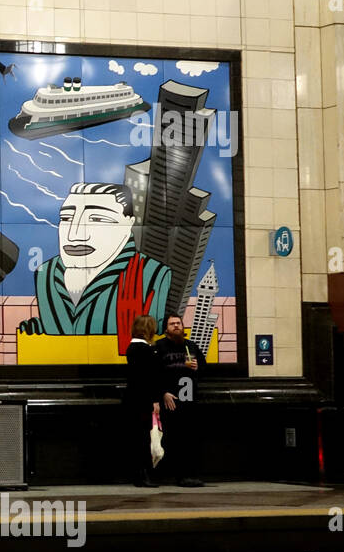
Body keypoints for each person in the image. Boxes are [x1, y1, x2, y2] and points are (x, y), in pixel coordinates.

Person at [17, 183, 172, 351]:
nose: (74, 234)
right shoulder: (45, 274)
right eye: (67, 218)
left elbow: (157, 332)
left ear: (128, 224)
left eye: (97, 219)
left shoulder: (152, 273)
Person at [154, 313, 206, 487]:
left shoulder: (190, 345)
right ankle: (176, 475)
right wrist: (163, 392)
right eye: (172, 324)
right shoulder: (160, 346)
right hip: (170, 400)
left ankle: (190, 474)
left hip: (189, 399)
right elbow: (154, 373)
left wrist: (198, 366)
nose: (176, 326)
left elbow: (204, 367)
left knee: (190, 438)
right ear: (166, 328)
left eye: (178, 323)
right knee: (173, 439)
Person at [123, 314, 162, 487]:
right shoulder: (146, 350)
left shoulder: (132, 348)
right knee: (143, 438)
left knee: (135, 437)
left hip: (132, 397)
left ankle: (138, 475)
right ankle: (144, 475)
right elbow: (149, 377)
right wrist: (154, 399)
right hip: (143, 398)